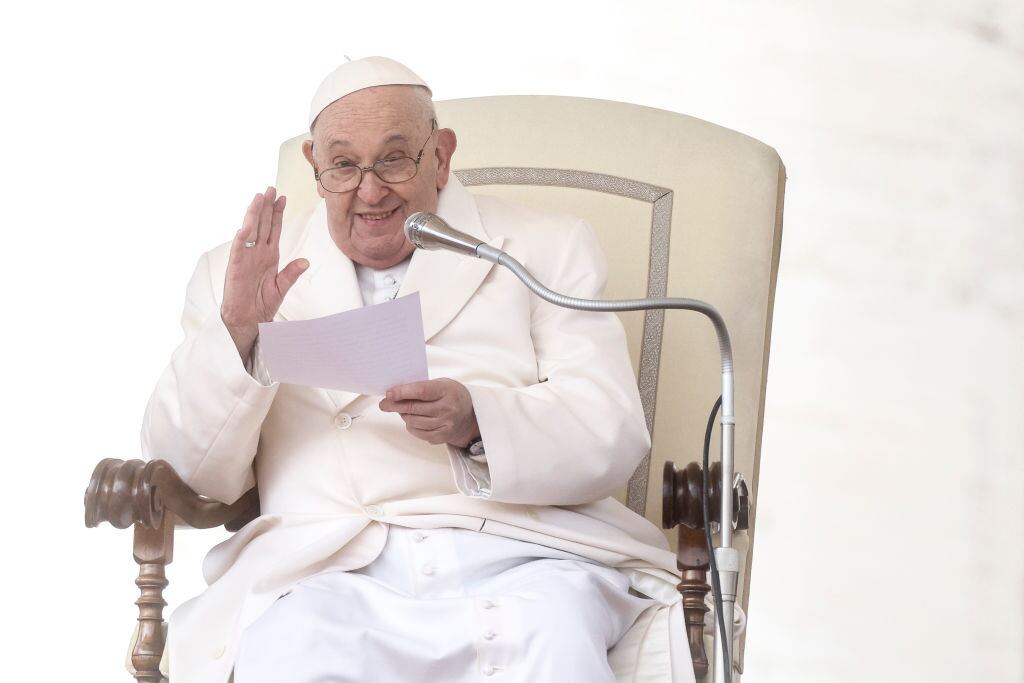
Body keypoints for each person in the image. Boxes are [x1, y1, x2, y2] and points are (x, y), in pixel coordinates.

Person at [142, 57, 686, 683]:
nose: (371, 192)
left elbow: (610, 430)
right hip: (324, 569)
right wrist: (238, 333)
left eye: (395, 158)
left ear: (442, 156)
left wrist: (478, 422)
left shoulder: (543, 247)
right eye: (344, 165)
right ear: (316, 171)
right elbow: (186, 473)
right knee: (291, 650)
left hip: (523, 556)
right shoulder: (238, 272)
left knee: (553, 636)